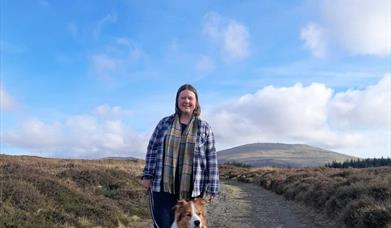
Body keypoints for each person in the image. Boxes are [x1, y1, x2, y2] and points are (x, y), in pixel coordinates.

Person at [141, 84, 220, 228]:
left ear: (196, 102)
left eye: (190, 98)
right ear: (177, 101)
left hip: (193, 188)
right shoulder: (164, 123)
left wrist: (213, 187)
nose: (186, 101)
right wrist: (147, 175)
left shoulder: (204, 127)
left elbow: (211, 158)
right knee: (163, 223)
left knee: (190, 224)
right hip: (162, 185)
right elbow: (152, 149)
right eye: (183, 97)